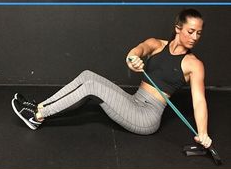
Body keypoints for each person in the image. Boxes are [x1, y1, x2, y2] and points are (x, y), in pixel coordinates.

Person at [11, 8, 212, 148]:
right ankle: (40, 106)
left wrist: (202, 133)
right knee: (87, 75)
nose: (194, 37)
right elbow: (138, 50)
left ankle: (37, 117)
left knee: (91, 87)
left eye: (199, 34)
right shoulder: (157, 44)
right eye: (190, 31)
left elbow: (199, 101)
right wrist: (132, 59)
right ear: (178, 28)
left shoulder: (194, 64)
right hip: (134, 99)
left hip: (147, 116)